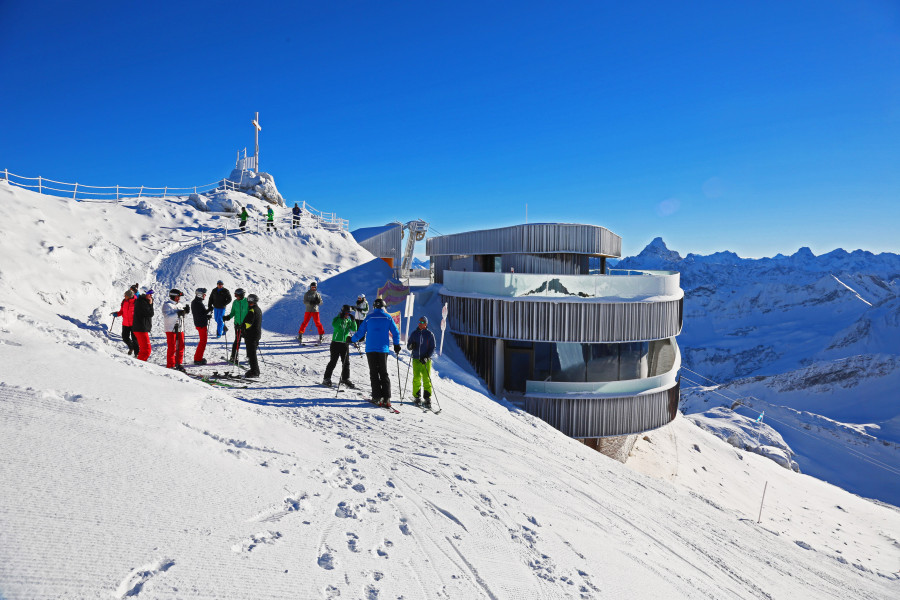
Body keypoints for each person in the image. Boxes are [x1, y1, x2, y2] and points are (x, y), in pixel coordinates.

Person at [350, 297, 401, 407]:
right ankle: (387, 398)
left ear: (374, 307)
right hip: (383, 349)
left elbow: (360, 332)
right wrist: (396, 344)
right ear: (383, 307)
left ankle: (377, 397)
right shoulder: (388, 318)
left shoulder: (369, 318)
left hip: (371, 349)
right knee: (383, 372)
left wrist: (352, 339)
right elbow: (395, 332)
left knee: (374, 372)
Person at [322, 304, 358, 388]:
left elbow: (354, 329)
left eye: (349, 313)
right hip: (335, 343)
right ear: (342, 312)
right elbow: (336, 326)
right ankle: (326, 378)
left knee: (346, 362)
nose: (347, 315)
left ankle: (345, 379)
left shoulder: (348, 321)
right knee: (333, 361)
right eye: (346, 313)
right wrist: (340, 318)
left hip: (345, 344)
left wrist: (353, 321)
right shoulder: (337, 319)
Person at [407, 315, 436, 408]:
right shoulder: (414, 333)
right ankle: (417, 397)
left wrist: (427, 357)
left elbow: (432, 347)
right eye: (419, 321)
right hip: (416, 359)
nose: (420, 323)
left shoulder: (429, 334)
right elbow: (408, 345)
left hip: (426, 360)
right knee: (416, 378)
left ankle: (427, 397)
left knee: (426, 379)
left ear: (426, 324)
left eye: (422, 322)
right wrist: (411, 346)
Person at [162, 288, 190, 370]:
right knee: (172, 348)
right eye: (178, 297)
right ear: (173, 297)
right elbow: (167, 317)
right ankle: (170, 365)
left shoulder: (179, 305)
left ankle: (179, 363)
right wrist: (178, 313)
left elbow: (181, 315)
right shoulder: (167, 305)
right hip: (171, 329)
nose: (179, 298)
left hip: (180, 328)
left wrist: (185, 312)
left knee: (181, 346)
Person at [224, 288, 249, 364]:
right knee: (237, 341)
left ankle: (250, 357)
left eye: (237, 295)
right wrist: (228, 317)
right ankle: (233, 357)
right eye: (235, 295)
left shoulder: (247, 302)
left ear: (242, 295)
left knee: (248, 341)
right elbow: (233, 312)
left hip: (246, 326)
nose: (235, 297)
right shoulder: (235, 302)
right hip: (237, 325)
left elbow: (251, 313)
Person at [241, 293, 263, 378]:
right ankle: (253, 370)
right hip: (255, 334)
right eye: (249, 303)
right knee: (251, 353)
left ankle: (255, 372)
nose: (249, 304)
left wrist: (242, 327)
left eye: (250, 303)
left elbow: (248, 323)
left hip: (251, 335)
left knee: (251, 354)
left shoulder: (252, 310)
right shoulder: (258, 309)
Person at [111, 289, 138, 355]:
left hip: (134, 324)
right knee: (125, 337)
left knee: (135, 339)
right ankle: (131, 347)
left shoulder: (136, 302)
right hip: (125, 323)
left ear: (129, 296)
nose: (124, 296)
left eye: (125, 295)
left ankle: (137, 354)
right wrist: (117, 314)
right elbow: (121, 311)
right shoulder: (124, 301)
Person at [132, 289, 155, 361]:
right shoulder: (141, 302)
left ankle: (139, 366)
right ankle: (140, 366)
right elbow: (150, 314)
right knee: (146, 350)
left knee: (143, 350)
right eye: (149, 294)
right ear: (145, 294)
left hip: (140, 328)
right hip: (140, 329)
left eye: (151, 294)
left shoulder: (143, 301)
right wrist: (151, 304)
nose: (151, 295)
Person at [191, 287, 212, 365]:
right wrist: (208, 313)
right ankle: (197, 359)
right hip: (201, 325)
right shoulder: (197, 303)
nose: (204, 296)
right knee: (203, 342)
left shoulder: (196, 302)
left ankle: (198, 358)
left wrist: (207, 314)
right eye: (204, 294)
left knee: (203, 341)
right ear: (199, 295)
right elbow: (200, 314)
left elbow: (201, 313)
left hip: (200, 324)